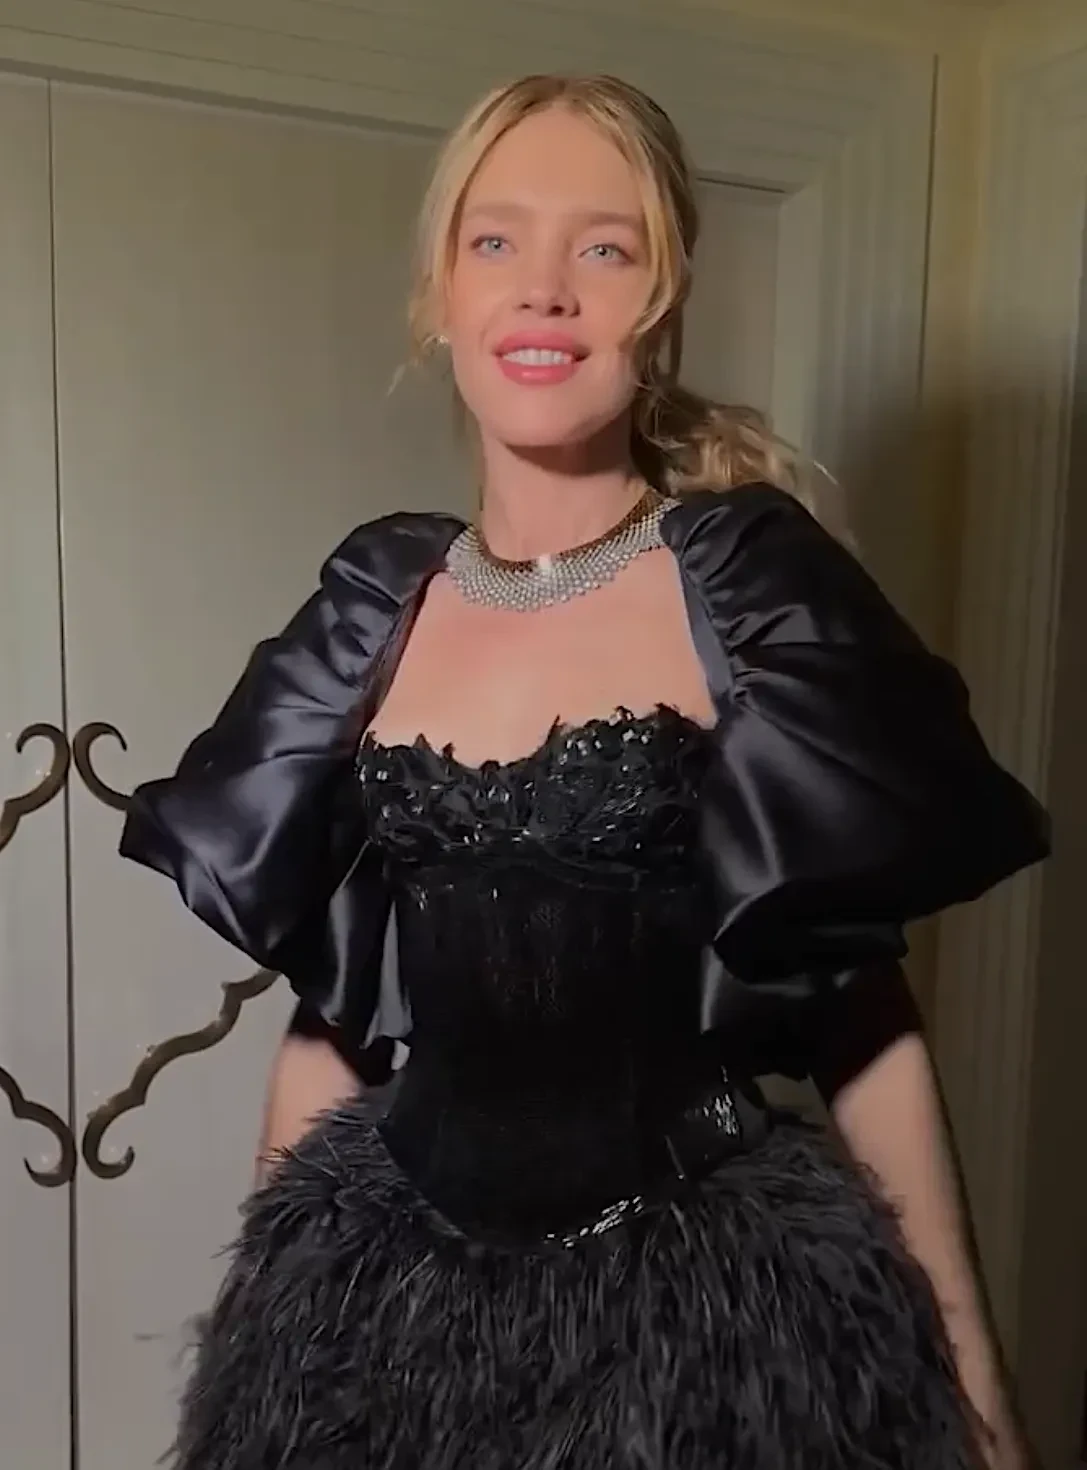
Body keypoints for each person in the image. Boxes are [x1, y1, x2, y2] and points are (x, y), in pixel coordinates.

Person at [120, 73, 1048, 1470]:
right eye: (495, 239)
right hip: (394, 1320)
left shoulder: (751, 594)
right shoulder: (372, 608)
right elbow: (334, 1013)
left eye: (604, 248)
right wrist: (252, 1370)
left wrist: (978, 1404)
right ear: (440, 292)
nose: (543, 289)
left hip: (708, 1331)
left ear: (661, 305)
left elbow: (864, 1017)